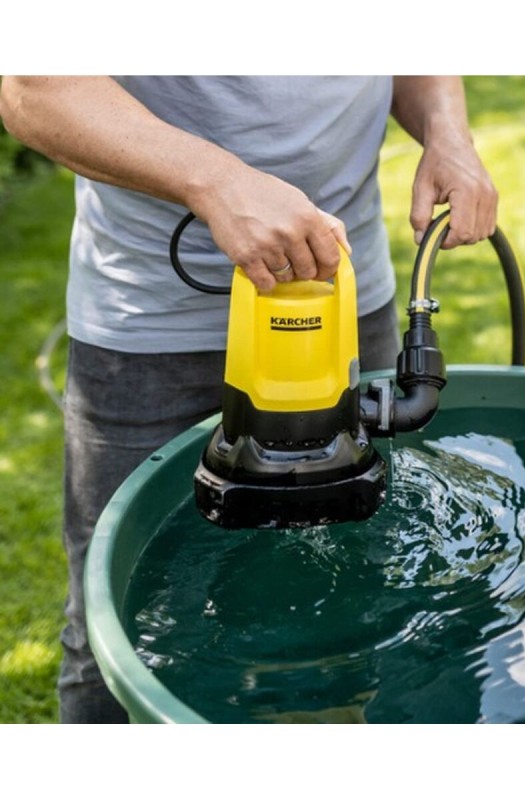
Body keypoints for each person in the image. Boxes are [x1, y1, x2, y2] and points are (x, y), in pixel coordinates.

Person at [0, 75, 498, 723]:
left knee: (361, 597)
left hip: (347, 310)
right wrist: (217, 181)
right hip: (150, 325)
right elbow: (35, 88)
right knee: (117, 631)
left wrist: (447, 133)